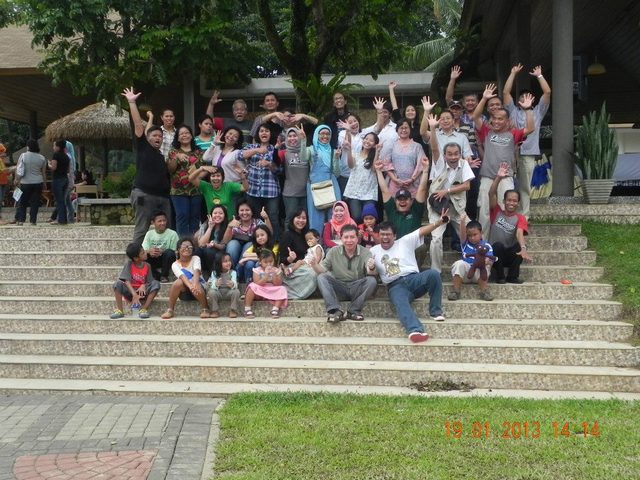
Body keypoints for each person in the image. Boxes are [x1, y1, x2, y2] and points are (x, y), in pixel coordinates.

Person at [369, 218, 448, 343]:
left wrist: (438, 223)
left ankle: (435, 311)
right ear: (378, 236)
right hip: (394, 286)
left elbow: (422, 231)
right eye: (382, 234)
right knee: (400, 301)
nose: (385, 237)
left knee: (433, 274)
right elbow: (371, 273)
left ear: (394, 236)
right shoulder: (373, 251)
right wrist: (372, 267)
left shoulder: (404, 241)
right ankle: (415, 330)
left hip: (414, 279)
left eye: (388, 234)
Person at [473, 84, 535, 234]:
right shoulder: (486, 131)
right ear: (491, 120)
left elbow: (531, 128)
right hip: (488, 177)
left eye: (501, 119)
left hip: (506, 177)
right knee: (484, 211)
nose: (497, 121)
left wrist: (527, 110)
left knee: (504, 209)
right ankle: (485, 244)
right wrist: (484, 98)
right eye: (495, 118)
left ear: (507, 121)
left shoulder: (513, 134)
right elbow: (475, 116)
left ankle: (502, 241)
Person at [121, 87, 172, 245]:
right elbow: (138, 124)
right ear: (148, 137)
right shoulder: (143, 147)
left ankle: (163, 262)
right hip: (144, 195)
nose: (158, 138)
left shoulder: (160, 156)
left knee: (167, 230)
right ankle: (134, 262)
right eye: (154, 135)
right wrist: (132, 102)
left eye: (160, 136)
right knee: (142, 229)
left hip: (163, 198)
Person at [425, 116, 475, 273]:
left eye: (456, 154)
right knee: (436, 240)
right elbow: (434, 148)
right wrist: (432, 128)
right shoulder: (439, 163)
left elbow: (467, 186)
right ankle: (435, 272)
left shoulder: (464, 164)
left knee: (473, 231)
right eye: (450, 154)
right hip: (439, 208)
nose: (453, 157)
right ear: (444, 155)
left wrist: (446, 191)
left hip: (457, 208)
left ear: (460, 154)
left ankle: (475, 264)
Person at [503, 64, 552, 218]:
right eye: (522, 97)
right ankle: (507, 213)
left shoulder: (538, 111)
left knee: (524, 186)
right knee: (508, 184)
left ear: (533, 100)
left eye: (528, 97)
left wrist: (539, 75)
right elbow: (505, 92)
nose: (525, 99)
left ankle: (524, 216)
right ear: (518, 101)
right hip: (510, 154)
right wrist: (512, 73)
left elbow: (547, 91)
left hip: (529, 153)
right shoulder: (512, 111)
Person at [309, 224, 378, 323]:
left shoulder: (365, 252)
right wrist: (314, 265)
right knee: (321, 277)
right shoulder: (333, 251)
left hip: (356, 288)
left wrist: (371, 267)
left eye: (352, 237)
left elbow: (372, 272)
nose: (349, 240)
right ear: (341, 238)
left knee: (372, 281)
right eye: (346, 237)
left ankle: (353, 310)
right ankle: (336, 310)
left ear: (357, 238)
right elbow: (323, 270)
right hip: (339, 287)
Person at [489, 162, 533, 284]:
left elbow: (519, 233)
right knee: (497, 246)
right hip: (495, 257)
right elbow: (491, 194)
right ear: (504, 201)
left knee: (519, 246)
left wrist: (523, 248)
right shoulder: (496, 211)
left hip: (509, 255)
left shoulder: (520, 218)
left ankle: (512, 277)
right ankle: (500, 276)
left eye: (514, 201)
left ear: (518, 203)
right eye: (509, 200)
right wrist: (498, 178)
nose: (511, 203)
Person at [239, 124, 282, 240]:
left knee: (272, 217)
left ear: (270, 134)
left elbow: (279, 170)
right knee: (255, 218)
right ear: (258, 134)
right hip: (252, 190)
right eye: (261, 131)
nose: (264, 133)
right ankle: (256, 242)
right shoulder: (251, 147)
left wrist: (269, 164)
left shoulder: (274, 148)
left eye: (266, 131)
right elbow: (239, 156)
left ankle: (275, 242)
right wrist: (257, 150)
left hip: (270, 191)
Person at [374, 155, 429, 239]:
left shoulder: (416, 210)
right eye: (399, 199)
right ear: (395, 201)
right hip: (396, 247)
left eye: (405, 199)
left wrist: (425, 171)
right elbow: (384, 190)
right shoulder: (392, 211)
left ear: (411, 201)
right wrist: (378, 171)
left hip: (413, 248)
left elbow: (422, 190)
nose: (402, 201)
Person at [167, 124, 205, 236]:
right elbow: (170, 169)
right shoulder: (173, 152)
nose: (185, 135)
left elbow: (206, 169)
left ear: (191, 136)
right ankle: (183, 244)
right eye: (182, 133)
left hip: (196, 189)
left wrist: (198, 177)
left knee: (195, 217)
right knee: (182, 215)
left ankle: (194, 244)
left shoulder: (199, 152)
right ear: (177, 138)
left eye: (187, 133)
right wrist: (176, 157)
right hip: (178, 191)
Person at [161, 237, 211, 319]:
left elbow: (196, 271)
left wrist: (194, 285)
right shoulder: (175, 264)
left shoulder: (196, 258)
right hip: (185, 291)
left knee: (196, 282)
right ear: (178, 249)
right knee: (178, 282)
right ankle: (170, 310)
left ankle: (205, 308)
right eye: (184, 246)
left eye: (190, 247)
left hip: (199, 290)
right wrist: (191, 286)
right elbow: (182, 277)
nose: (187, 248)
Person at [448, 216, 495, 302]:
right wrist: (462, 221)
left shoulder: (486, 246)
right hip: (466, 274)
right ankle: (456, 291)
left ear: (481, 233)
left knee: (486, 267)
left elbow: (491, 260)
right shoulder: (465, 244)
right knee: (459, 263)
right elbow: (462, 234)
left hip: (479, 274)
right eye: (469, 235)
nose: (472, 238)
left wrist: (487, 261)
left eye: (475, 234)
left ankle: (484, 291)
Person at [110, 242, 161, 319]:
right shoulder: (129, 264)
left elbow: (150, 282)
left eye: (144, 251)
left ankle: (143, 309)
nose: (145, 253)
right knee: (117, 284)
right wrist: (134, 294)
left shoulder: (147, 266)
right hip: (131, 292)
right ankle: (120, 310)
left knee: (156, 283)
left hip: (142, 292)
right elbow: (126, 280)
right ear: (136, 258)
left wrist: (143, 285)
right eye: (143, 253)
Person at [306, 125, 341, 232]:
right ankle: (317, 245)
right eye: (322, 133)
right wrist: (303, 140)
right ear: (317, 134)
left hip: (331, 184)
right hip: (315, 185)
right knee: (315, 216)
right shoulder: (311, 150)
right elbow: (303, 158)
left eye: (328, 134)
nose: (325, 136)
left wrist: (336, 159)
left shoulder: (333, 151)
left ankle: (334, 242)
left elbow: (337, 173)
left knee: (335, 213)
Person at [279, 208, 318, 300]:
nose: (301, 220)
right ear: (292, 219)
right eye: (298, 217)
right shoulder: (287, 235)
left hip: (305, 265)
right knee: (312, 273)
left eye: (304, 218)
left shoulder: (307, 235)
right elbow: (281, 259)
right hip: (291, 269)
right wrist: (290, 259)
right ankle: (292, 293)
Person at [382, 117, 425, 197]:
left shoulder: (417, 146)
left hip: (412, 185)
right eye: (401, 128)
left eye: (406, 128)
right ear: (397, 130)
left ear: (410, 129)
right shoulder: (392, 146)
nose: (404, 130)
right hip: (394, 184)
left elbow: (421, 164)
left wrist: (412, 179)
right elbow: (386, 164)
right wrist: (395, 179)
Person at [342, 131, 380, 222]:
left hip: (369, 192)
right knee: (357, 217)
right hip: (354, 191)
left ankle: (368, 235)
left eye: (371, 140)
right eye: (366, 139)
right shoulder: (355, 153)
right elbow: (350, 165)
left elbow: (374, 169)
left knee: (369, 217)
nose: (367, 141)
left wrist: (377, 152)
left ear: (375, 144)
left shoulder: (375, 156)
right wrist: (349, 150)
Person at [222, 202, 273, 266]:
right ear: (238, 212)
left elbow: (269, 233)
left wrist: (266, 218)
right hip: (236, 244)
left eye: (247, 210)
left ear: (252, 212)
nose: (244, 213)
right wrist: (229, 227)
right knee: (232, 244)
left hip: (250, 247)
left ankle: (239, 270)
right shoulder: (234, 222)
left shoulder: (257, 222)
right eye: (241, 210)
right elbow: (225, 242)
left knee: (249, 244)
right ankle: (231, 270)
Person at [279, 126, 309, 230]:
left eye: (295, 135)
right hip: (290, 194)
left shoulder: (307, 151)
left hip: (306, 193)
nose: (292, 138)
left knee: (305, 220)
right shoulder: (284, 152)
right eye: (289, 136)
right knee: (290, 219)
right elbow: (275, 162)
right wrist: (275, 149)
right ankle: (288, 243)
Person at [244, 249, 288, 319]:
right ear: (260, 262)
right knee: (251, 286)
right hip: (260, 290)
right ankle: (247, 309)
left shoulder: (276, 270)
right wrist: (266, 276)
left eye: (271, 262)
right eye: (265, 262)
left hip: (272, 290)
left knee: (282, 289)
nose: (269, 264)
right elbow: (257, 283)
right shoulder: (257, 270)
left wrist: (274, 274)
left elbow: (278, 284)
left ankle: (275, 309)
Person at [13, 139, 46, 226]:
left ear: (28, 146)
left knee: (23, 202)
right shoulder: (42, 158)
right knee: (35, 202)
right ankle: (33, 221)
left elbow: (18, 169)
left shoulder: (23, 155)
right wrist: (45, 183)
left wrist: (16, 180)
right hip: (38, 182)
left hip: (25, 183)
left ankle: (21, 220)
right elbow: (43, 173)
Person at [388, 81, 427, 153]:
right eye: (408, 110)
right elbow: (394, 106)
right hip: (402, 154)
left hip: (419, 156)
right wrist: (391, 89)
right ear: (404, 113)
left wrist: (427, 110)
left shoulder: (420, 127)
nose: (410, 112)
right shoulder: (401, 122)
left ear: (416, 113)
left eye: (412, 110)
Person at [141, 211, 179, 282]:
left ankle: (164, 276)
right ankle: (156, 276)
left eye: (164, 220)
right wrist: (150, 251)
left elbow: (176, 252)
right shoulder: (149, 234)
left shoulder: (173, 234)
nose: (162, 223)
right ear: (153, 222)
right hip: (153, 259)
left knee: (169, 253)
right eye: (159, 221)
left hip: (167, 259)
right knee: (143, 256)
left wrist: (162, 251)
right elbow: (144, 250)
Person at [194, 204, 229, 276]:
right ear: (211, 215)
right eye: (215, 213)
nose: (217, 215)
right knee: (197, 251)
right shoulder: (205, 225)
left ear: (224, 215)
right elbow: (201, 244)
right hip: (205, 255)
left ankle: (213, 275)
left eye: (220, 213)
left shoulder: (227, 226)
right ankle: (197, 274)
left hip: (218, 254)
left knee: (209, 251)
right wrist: (210, 227)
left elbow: (223, 246)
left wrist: (214, 245)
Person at [206, 253, 242, 318]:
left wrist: (233, 284)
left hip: (229, 292)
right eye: (225, 261)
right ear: (219, 263)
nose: (228, 263)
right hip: (218, 293)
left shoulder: (233, 272)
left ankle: (233, 310)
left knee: (236, 291)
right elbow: (212, 286)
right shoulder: (214, 273)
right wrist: (216, 284)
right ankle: (214, 310)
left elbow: (235, 283)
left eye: (229, 261)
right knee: (211, 292)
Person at [47, 140, 71, 225]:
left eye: (54, 146)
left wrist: (49, 164)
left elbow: (54, 167)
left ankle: (60, 220)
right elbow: (68, 169)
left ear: (58, 147)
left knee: (59, 201)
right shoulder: (67, 156)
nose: (53, 147)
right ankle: (63, 219)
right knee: (62, 200)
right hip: (65, 179)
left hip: (57, 179)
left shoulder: (56, 155)